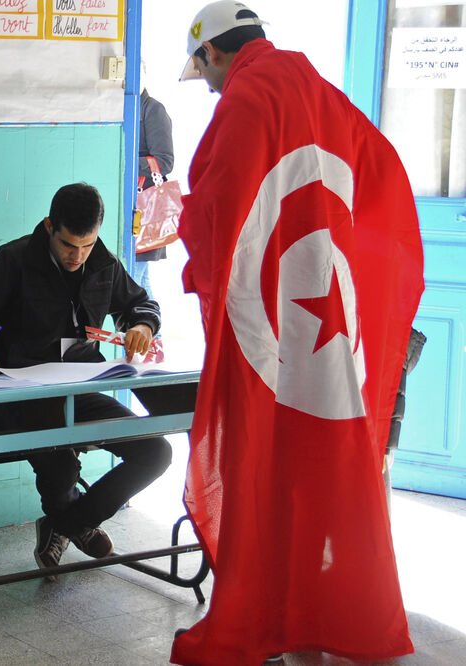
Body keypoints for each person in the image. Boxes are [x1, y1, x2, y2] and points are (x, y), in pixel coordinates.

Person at [172, 2, 423, 664]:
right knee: (328, 482)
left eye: (204, 73)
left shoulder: (248, 96)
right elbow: (381, 171)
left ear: (215, 53)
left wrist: (200, 267)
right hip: (330, 337)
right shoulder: (317, 87)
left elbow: (217, 202)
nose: (208, 86)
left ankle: (283, 627)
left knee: (268, 478)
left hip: (272, 339)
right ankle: (330, 624)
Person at [0, 182, 174, 578]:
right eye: (68, 245)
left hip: (79, 392)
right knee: (61, 464)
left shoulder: (103, 263)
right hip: (18, 397)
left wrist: (143, 324)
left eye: (86, 245)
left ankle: (67, 524)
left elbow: (141, 303)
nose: (77, 256)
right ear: (50, 226)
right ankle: (74, 521)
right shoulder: (14, 259)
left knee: (156, 452)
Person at [134, 63, 175, 302]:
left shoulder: (153, 109)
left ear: (144, 74)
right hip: (137, 204)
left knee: (134, 278)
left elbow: (165, 161)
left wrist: (125, 159)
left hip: (145, 206)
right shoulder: (129, 108)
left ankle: (147, 332)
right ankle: (155, 335)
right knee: (141, 277)